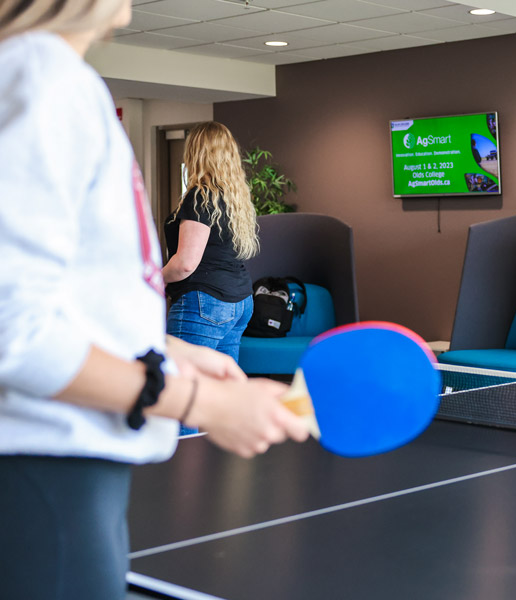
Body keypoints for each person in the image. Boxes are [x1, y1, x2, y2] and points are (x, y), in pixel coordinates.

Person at [0, 3, 309, 599]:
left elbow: (64, 296)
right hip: (43, 468)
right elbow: (14, 329)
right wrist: (203, 403)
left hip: (62, 469)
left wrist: (163, 348)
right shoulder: (43, 77)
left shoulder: (50, 77)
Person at [163, 121, 258, 363]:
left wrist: (151, 277)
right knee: (222, 384)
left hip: (204, 303)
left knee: (184, 383)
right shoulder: (234, 197)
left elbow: (185, 264)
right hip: (239, 302)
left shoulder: (200, 196)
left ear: (196, 153)